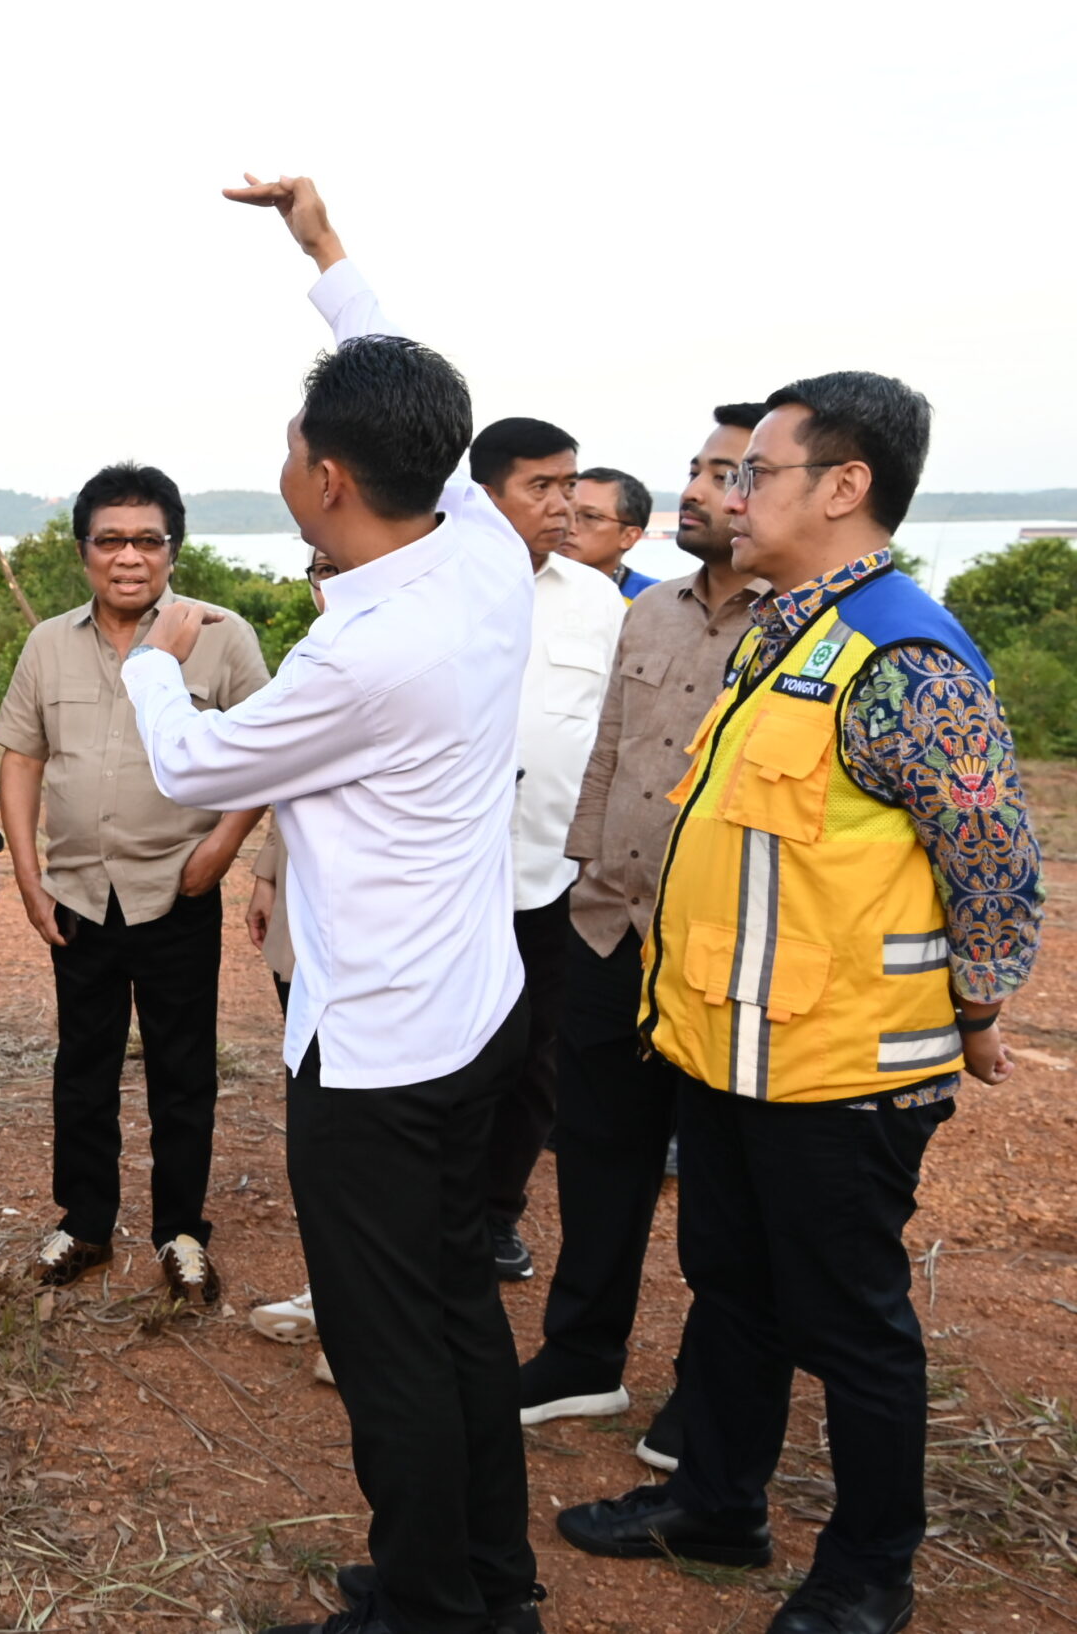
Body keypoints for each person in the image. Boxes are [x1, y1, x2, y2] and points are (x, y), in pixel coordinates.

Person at [558, 375, 1040, 1634]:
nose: (725, 493)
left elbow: (989, 859)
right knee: (731, 1281)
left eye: (751, 473)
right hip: (730, 1041)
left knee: (851, 1322)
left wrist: (977, 1006)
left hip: (844, 1063)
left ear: (843, 486)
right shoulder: (784, 628)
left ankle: (869, 1572)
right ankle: (718, 1503)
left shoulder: (908, 657)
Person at [203, 175, 542, 1634]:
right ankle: (490, 1581)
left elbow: (185, 764)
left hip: (383, 1055)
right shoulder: (476, 544)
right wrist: (327, 255)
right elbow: (403, 375)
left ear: (331, 480)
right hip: (474, 1015)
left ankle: (425, 1603)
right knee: (460, 1307)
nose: (285, 459)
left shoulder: (364, 653)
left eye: (295, 444)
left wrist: (155, 653)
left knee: (392, 1335)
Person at [518, 404, 769, 1471]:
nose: (700, 492)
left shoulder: (801, 623)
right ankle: (580, 1357)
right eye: (697, 470)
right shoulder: (649, 612)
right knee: (598, 1159)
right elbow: (609, 757)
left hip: (720, 948)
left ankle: (706, 1403)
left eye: (726, 475)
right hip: (610, 927)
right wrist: (583, 876)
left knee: (721, 1190)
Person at [0, 461, 267, 1304]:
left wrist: (224, 847)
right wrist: (29, 876)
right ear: (83, 551)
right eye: (110, 539)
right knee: (84, 1062)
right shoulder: (49, 644)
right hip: (77, 892)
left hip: (176, 890)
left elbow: (266, 753)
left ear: (172, 549)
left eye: (147, 539)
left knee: (183, 1068)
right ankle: (84, 1223)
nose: (129, 556)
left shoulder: (222, 635)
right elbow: (23, 758)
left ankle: (181, 1231)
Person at [468, 417, 628, 1282]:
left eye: (571, 486)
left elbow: (613, 735)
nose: (564, 505)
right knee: (454, 1049)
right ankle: (437, 1207)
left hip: (555, 873)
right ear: (487, 495)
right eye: (543, 487)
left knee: (536, 1056)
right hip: (452, 875)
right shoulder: (440, 585)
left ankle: (496, 1213)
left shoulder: (599, 601)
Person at [244, 549, 334, 1356]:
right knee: (315, 1105)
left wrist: (157, 672)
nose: (327, 577)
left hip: (380, 952)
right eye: (318, 565)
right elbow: (293, 790)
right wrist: (268, 875)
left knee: (361, 1125)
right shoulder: (319, 651)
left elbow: (208, 763)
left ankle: (358, 1306)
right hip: (306, 932)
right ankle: (333, 1283)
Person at [561, 467, 659, 600]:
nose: (569, 527)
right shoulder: (528, 583)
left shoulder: (653, 600)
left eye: (590, 517)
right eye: (565, 513)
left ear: (629, 537)